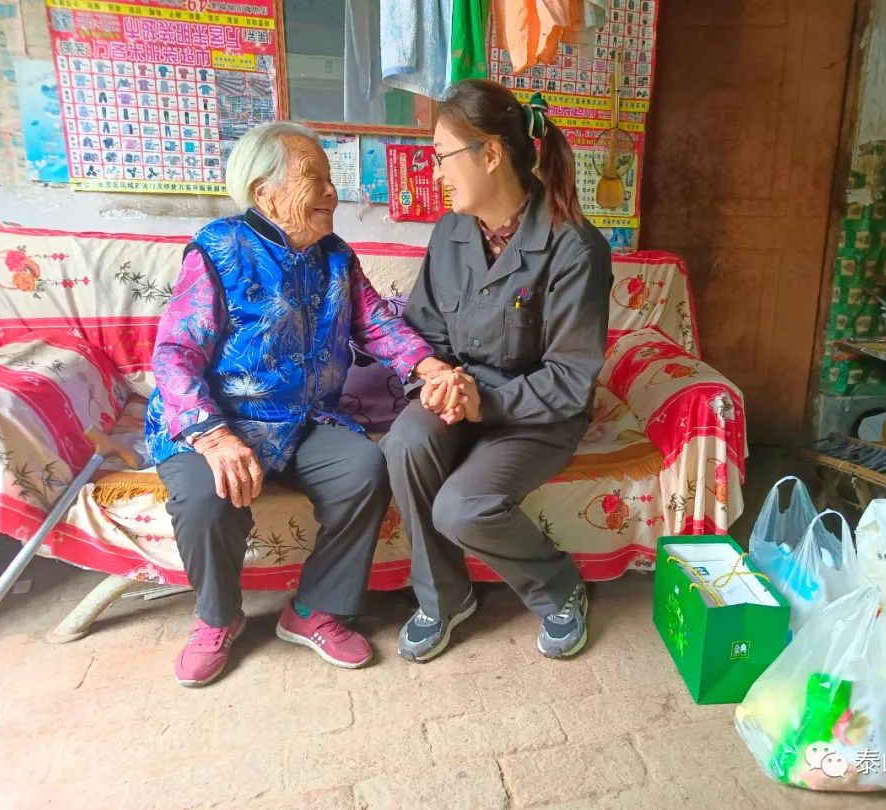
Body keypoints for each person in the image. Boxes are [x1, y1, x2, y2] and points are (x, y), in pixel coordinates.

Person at [145, 122, 451, 687]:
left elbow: (375, 324)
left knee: (364, 469)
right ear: (265, 193)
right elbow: (175, 353)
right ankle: (218, 617)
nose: (332, 192)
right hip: (217, 420)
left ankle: (312, 609)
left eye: (331, 178)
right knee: (207, 498)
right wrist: (211, 435)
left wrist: (427, 366)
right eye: (316, 178)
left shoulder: (335, 256)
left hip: (305, 420)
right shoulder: (219, 249)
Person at [381, 80, 613, 662]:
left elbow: (569, 376)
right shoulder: (451, 232)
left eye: (442, 156)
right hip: (462, 393)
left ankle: (559, 587)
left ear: (489, 154)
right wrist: (439, 380)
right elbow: (425, 331)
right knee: (405, 442)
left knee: (461, 508)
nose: (435, 172)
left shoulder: (574, 247)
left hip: (539, 413)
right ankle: (444, 597)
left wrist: (484, 403)